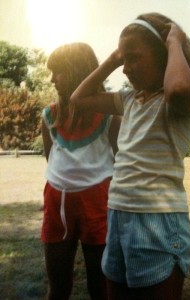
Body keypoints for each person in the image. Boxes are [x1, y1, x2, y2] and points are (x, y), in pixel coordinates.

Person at [70, 13, 190, 300]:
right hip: (118, 211)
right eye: (124, 60)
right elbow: (77, 99)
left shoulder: (181, 99)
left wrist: (175, 40)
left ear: (162, 54)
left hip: (158, 218)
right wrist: (111, 60)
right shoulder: (129, 99)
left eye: (134, 58)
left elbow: (178, 88)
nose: (126, 68)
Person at [41, 42, 120, 300]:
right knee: (58, 285)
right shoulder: (50, 115)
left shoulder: (109, 115)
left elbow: (120, 161)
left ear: (77, 71)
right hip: (57, 200)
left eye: (58, 71)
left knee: (100, 286)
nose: (52, 79)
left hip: (97, 202)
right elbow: (50, 157)